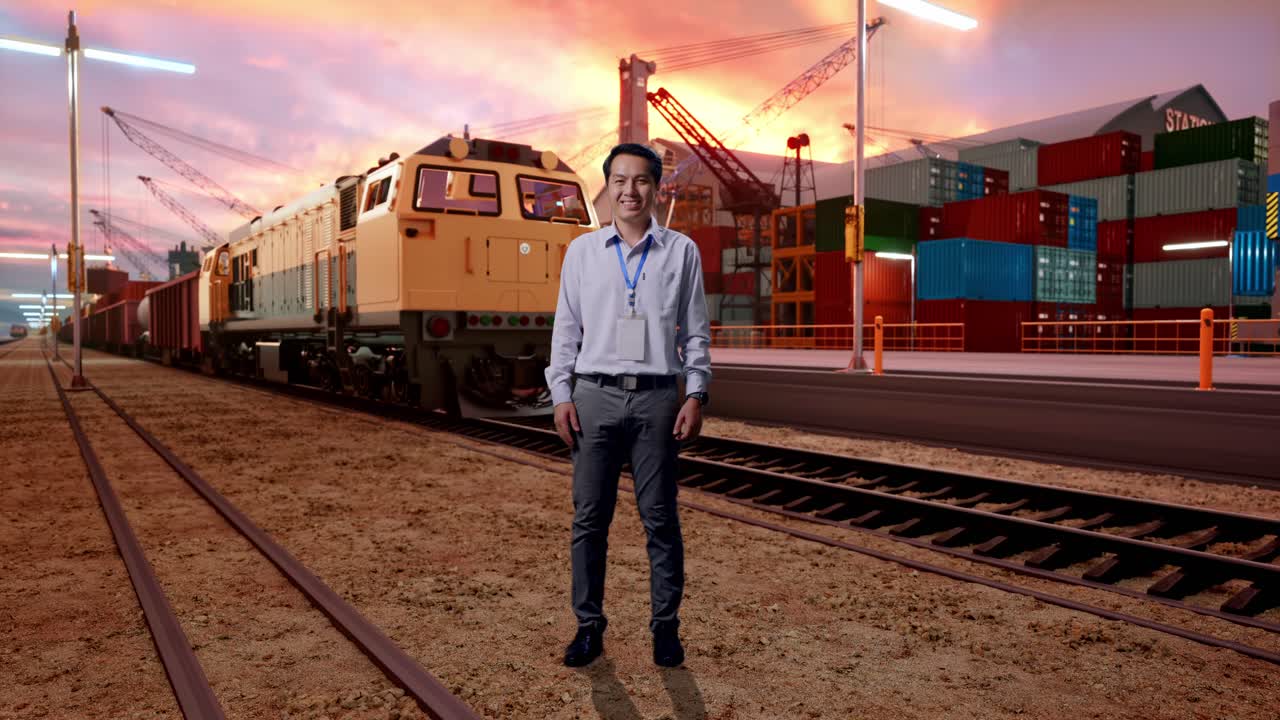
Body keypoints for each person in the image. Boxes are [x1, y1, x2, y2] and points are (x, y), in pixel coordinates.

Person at [545, 143, 711, 668]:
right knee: (590, 520)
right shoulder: (583, 253)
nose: (630, 190)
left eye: (641, 180)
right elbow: (566, 330)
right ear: (608, 187)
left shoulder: (681, 251)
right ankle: (588, 629)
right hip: (594, 395)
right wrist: (562, 395)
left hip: (659, 398)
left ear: (656, 187)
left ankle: (666, 630)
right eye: (619, 180)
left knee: (660, 519)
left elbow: (697, 333)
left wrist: (696, 392)